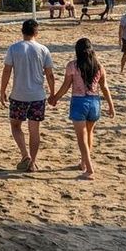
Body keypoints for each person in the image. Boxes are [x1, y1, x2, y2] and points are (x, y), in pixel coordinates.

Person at [49, 38, 116, 180]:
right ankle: (84, 163)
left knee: (81, 138)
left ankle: (89, 169)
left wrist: (55, 98)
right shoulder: (98, 66)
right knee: (89, 133)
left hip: (79, 101)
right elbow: (104, 87)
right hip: (94, 102)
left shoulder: (73, 66)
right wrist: (111, 105)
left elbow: (66, 86)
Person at [0, 19, 55, 172]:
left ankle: (25, 155)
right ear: (36, 32)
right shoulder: (43, 49)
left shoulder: (14, 48)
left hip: (19, 95)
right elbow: (50, 75)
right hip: (37, 96)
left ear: (22, 31)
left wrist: (2, 90)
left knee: (15, 125)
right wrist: (52, 93)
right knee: (34, 130)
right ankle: (33, 162)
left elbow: (7, 71)